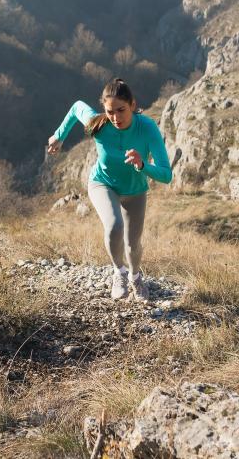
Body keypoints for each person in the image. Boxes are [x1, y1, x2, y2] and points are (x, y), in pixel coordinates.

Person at [47, 77, 172, 301]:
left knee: (133, 246)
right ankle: (119, 272)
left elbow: (166, 174)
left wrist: (142, 165)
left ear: (133, 105)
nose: (115, 117)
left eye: (121, 110)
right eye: (109, 111)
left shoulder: (147, 128)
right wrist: (59, 136)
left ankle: (135, 276)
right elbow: (77, 107)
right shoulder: (100, 124)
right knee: (114, 226)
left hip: (135, 190)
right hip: (102, 183)